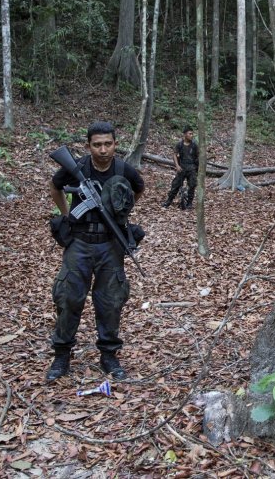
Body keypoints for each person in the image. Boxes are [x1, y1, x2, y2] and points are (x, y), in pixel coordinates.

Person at [46, 122, 144, 382]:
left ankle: (109, 355)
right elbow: (55, 187)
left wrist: (121, 212)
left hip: (110, 243)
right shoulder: (75, 167)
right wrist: (66, 214)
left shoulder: (124, 169)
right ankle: (61, 355)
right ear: (88, 146)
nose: (103, 150)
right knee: (68, 297)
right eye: (97, 144)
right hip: (79, 242)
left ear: (115, 144)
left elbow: (138, 189)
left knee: (111, 301)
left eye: (108, 144)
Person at [162, 127, 199, 210]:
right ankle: (169, 201)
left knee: (192, 186)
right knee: (175, 185)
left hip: (191, 168)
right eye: (190, 133)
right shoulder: (180, 144)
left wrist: (197, 168)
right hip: (182, 167)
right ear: (185, 134)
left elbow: (198, 156)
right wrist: (177, 166)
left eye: (192, 134)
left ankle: (189, 203)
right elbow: (175, 154)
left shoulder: (194, 145)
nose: (191, 135)